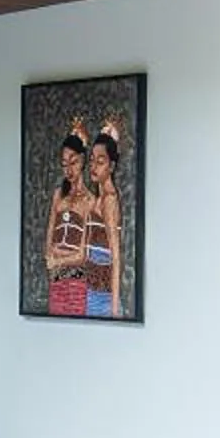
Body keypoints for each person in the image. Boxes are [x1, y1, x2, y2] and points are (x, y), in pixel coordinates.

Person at [42, 131, 92, 315]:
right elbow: (50, 234)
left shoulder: (89, 201)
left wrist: (58, 260)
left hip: (76, 283)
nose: (69, 170)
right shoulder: (58, 195)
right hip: (56, 280)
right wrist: (50, 257)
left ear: (83, 161)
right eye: (64, 165)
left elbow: (83, 253)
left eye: (73, 163)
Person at [84, 124, 127, 318]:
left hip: (103, 297)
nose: (93, 166)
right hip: (91, 291)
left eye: (100, 161)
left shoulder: (109, 199)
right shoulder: (97, 199)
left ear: (111, 166)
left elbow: (116, 256)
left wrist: (114, 308)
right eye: (92, 160)